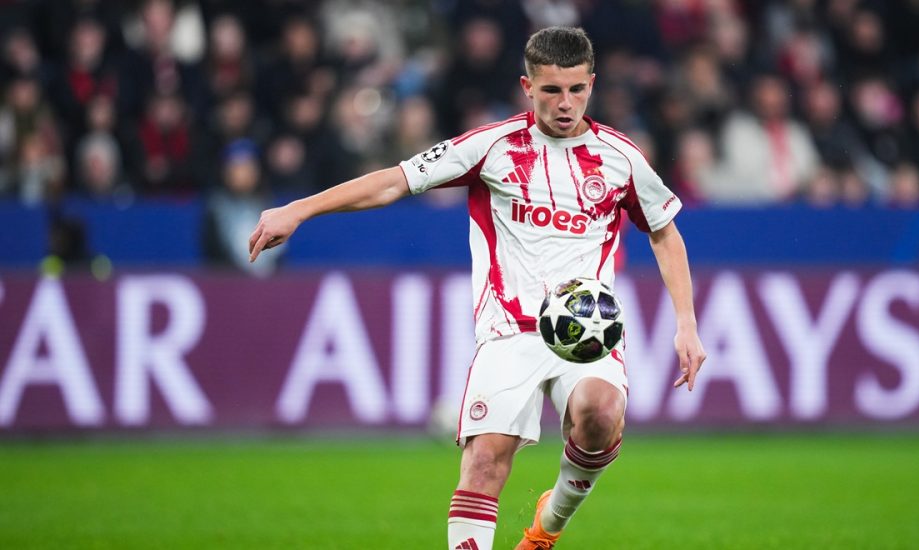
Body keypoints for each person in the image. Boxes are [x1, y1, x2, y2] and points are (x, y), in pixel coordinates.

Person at [247, 26, 706, 550]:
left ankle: (546, 525)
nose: (566, 103)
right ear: (526, 86)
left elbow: (665, 233)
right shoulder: (492, 147)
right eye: (552, 90)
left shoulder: (620, 158)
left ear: (592, 84)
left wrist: (686, 324)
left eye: (577, 89)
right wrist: (298, 209)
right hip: (508, 331)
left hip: (587, 330)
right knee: (486, 460)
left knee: (602, 413)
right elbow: (395, 180)